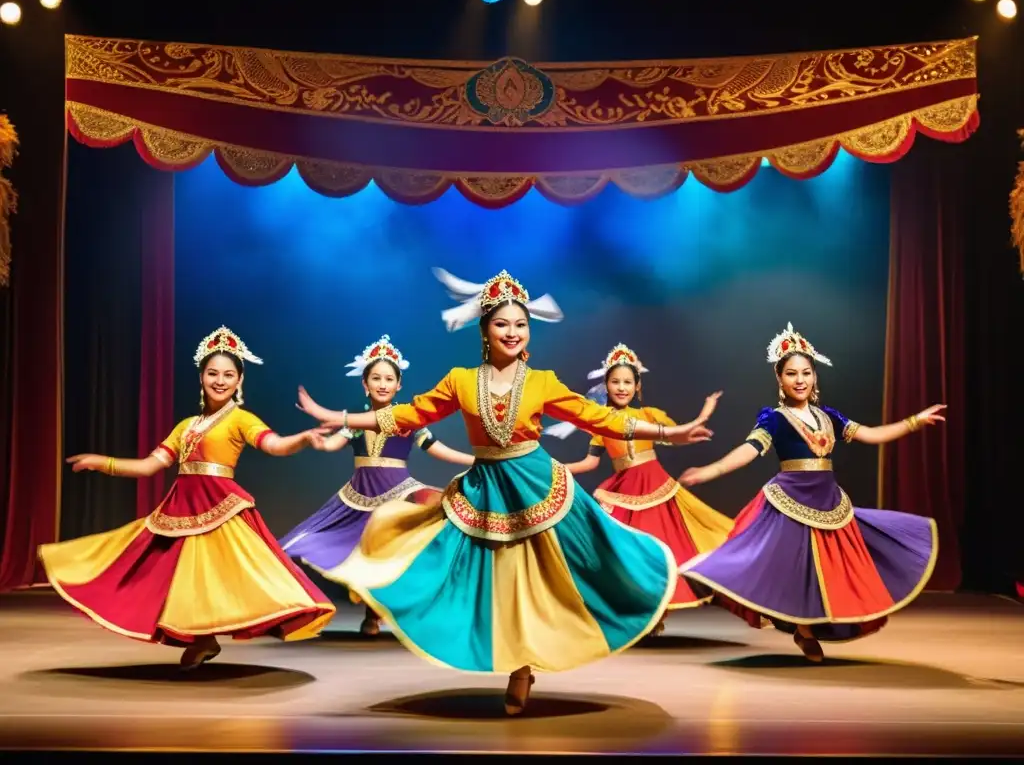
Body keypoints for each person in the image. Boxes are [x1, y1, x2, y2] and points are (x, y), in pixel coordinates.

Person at [294, 268, 719, 714]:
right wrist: (341, 417)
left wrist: (671, 434)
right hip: (486, 488)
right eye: (502, 323)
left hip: (535, 484)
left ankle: (524, 667)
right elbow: (406, 416)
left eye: (520, 324)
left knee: (546, 574)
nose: (512, 332)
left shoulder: (542, 381)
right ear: (484, 330)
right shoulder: (460, 380)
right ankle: (513, 659)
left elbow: (601, 418)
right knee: (493, 577)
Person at [38, 326, 337, 669]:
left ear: (240, 381)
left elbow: (274, 445)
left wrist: (302, 438)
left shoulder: (241, 419)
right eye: (213, 373)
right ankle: (203, 640)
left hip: (221, 506)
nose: (220, 380)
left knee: (232, 575)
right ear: (201, 377)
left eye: (228, 374)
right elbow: (150, 466)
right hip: (182, 507)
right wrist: (102, 463)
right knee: (180, 575)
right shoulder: (186, 426)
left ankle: (249, 622)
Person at [679, 322, 942, 662]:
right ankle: (801, 629)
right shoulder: (773, 418)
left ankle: (809, 628)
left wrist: (915, 421)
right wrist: (710, 471)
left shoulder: (828, 416)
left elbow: (872, 435)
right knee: (790, 566)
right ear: (780, 379)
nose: (800, 380)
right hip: (789, 500)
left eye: (806, 372)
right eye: (791, 373)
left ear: (814, 377)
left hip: (828, 500)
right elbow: (748, 450)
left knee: (831, 567)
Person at [280, 334, 473, 636]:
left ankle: (397, 613)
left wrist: (475, 460)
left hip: (399, 493)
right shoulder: (354, 421)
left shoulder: (410, 418)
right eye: (376, 378)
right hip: (359, 495)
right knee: (336, 548)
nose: (382, 384)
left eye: (388, 379)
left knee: (393, 549)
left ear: (399, 385)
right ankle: (364, 614)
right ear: (365, 384)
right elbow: (332, 445)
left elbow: (437, 448)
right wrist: (316, 441)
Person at [544, 343, 734, 634]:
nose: (621, 387)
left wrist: (701, 420)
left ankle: (658, 609)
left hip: (656, 486)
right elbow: (590, 462)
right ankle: (634, 610)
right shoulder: (601, 422)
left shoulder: (650, 415)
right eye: (615, 382)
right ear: (606, 385)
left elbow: (675, 436)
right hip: (624, 491)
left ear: (637, 385)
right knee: (622, 553)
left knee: (669, 547)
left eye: (627, 382)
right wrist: (551, 468)